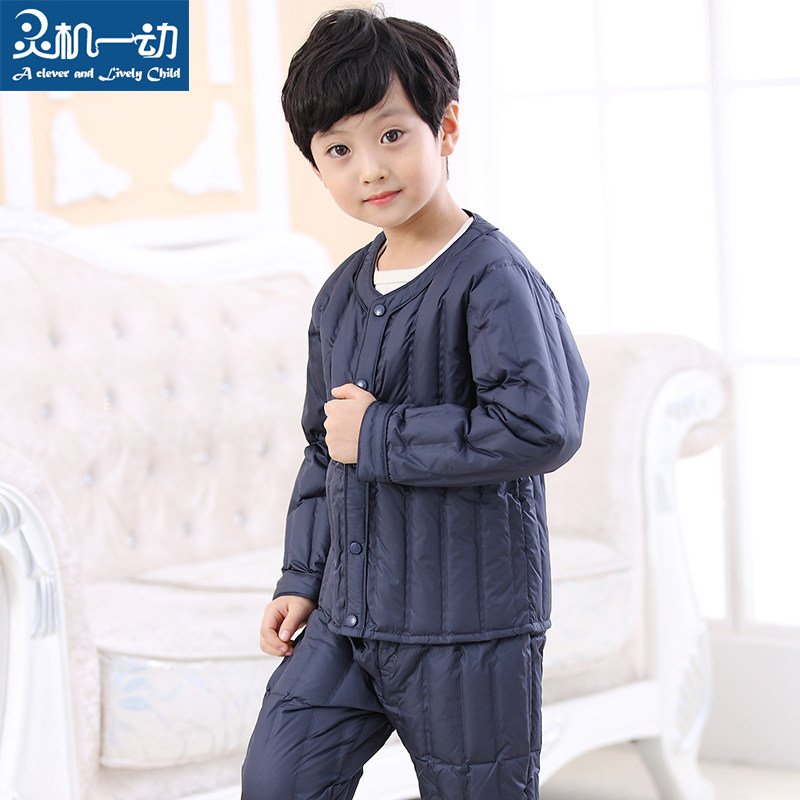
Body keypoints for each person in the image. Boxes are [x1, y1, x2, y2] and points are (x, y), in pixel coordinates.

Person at [241, 8, 589, 800]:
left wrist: (383, 434)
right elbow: (325, 448)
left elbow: (544, 426)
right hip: (348, 618)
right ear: (315, 165)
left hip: (467, 627)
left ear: (447, 128)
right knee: (277, 779)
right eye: (338, 149)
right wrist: (301, 576)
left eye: (392, 135)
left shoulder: (494, 276)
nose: (370, 168)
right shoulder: (339, 294)